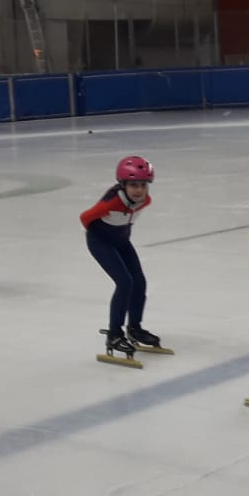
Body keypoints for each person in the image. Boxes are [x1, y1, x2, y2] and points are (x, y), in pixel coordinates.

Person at [80, 155, 164, 364]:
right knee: (125, 282)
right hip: (100, 242)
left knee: (139, 282)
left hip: (121, 241)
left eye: (143, 185)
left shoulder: (145, 201)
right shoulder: (112, 201)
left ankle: (134, 328)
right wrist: (100, 234)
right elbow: (85, 218)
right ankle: (114, 334)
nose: (139, 190)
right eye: (133, 185)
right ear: (123, 184)